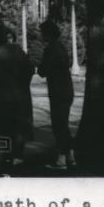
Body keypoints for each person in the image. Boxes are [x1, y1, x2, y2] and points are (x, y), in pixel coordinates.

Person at [0, 14, 34, 175]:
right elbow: (29, 71)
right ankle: (6, 168)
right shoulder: (16, 50)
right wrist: (20, 86)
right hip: (12, 99)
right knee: (10, 135)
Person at [37, 19, 76, 169]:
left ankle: (61, 159)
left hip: (57, 91)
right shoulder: (61, 47)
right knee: (63, 124)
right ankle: (70, 155)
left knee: (58, 125)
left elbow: (42, 71)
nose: (41, 35)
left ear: (47, 34)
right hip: (67, 89)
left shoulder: (50, 49)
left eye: (42, 32)